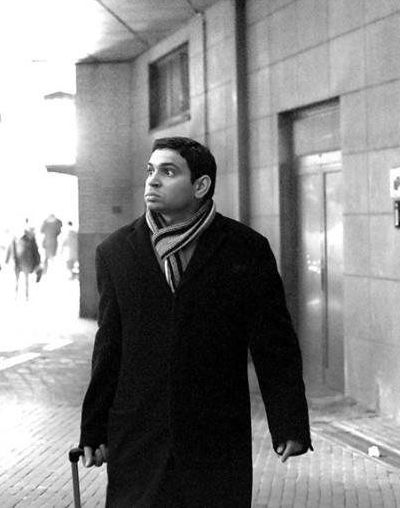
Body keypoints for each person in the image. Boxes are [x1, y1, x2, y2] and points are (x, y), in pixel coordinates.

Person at [78, 136, 312, 507]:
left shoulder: (245, 249)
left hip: (215, 438)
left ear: (201, 185)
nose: (152, 180)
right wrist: (94, 428)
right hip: (137, 438)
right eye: (151, 170)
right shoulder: (116, 252)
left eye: (168, 172)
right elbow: (109, 346)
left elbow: (274, 345)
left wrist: (289, 423)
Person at [5, 221, 41, 300]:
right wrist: (37, 262)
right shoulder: (30, 239)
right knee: (24, 280)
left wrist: (7, 260)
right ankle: (24, 296)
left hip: (18, 261)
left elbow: (10, 249)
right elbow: (35, 251)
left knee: (18, 280)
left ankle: (17, 296)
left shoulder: (16, 238)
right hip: (25, 262)